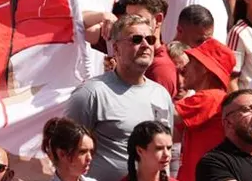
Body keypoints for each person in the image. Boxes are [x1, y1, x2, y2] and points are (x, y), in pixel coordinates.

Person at [66, 12, 176, 181]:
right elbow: (68, 154)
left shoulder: (161, 95)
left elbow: (165, 154)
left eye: (151, 39)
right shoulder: (91, 94)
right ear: (116, 48)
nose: (146, 45)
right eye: (136, 39)